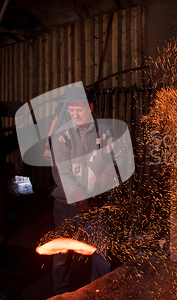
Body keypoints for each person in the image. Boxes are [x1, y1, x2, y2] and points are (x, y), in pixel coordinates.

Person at [49, 86, 122, 295]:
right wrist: (81, 200)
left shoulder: (105, 131)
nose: (75, 114)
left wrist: (109, 172)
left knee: (102, 254)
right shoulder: (61, 135)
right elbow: (62, 174)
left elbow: (115, 161)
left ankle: (97, 293)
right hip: (67, 204)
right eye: (71, 110)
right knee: (62, 254)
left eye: (79, 109)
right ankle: (61, 294)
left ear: (90, 108)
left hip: (97, 202)